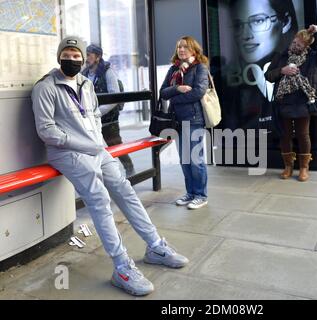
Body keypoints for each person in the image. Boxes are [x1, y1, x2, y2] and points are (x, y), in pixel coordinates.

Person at [31, 36, 188, 297]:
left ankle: (155, 246)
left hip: (96, 149)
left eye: (75, 55)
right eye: (66, 55)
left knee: (124, 189)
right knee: (99, 199)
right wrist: (83, 143)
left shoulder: (85, 83)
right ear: (59, 57)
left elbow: (93, 114)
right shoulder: (45, 88)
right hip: (68, 152)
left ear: (83, 58)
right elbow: (46, 131)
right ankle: (121, 266)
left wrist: (97, 143)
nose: (71, 60)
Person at [265, 25, 317, 182]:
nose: (295, 46)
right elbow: (268, 75)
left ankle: (304, 168)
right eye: (294, 42)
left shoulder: (312, 57)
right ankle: (288, 167)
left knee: (303, 135)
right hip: (284, 102)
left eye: (299, 44)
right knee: (285, 135)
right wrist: (282, 71)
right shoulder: (282, 56)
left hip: (303, 102)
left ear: (306, 47)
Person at [222, 0, 299, 131]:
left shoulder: (294, 64)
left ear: (285, 22)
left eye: (258, 21)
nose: (246, 35)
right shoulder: (227, 83)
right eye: (237, 25)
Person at [160, 36, 209, 210]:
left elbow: (198, 92)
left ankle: (201, 195)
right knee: (184, 160)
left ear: (194, 50)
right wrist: (177, 89)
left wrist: (175, 99)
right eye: (179, 47)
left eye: (185, 47)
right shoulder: (174, 69)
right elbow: (163, 92)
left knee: (196, 160)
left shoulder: (200, 68)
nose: (181, 50)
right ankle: (190, 193)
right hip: (177, 121)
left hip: (194, 119)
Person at [81, 44, 135, 177]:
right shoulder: (84, 73)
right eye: (85, 54)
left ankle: (129, 168)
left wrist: (97, 112)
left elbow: (114, 96)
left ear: (98, 57)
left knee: (115, 144)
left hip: (108, 118)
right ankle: (100, 174)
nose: (86, 58)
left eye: (89, 55)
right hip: (90, 118)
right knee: (94, 147)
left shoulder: (108, 72)